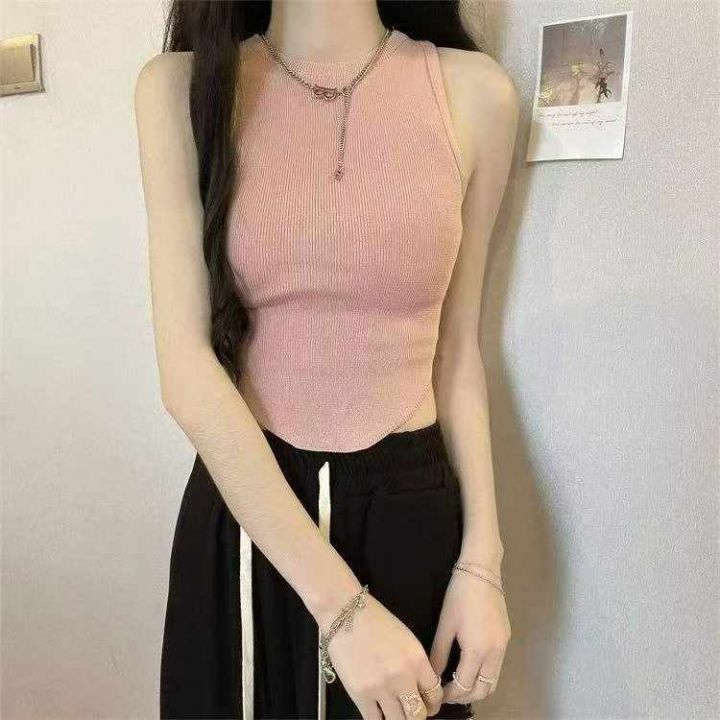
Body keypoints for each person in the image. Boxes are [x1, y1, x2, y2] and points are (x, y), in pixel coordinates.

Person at [134, 2, 519, 718]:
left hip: (412, 516)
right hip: (252, 514)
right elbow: (186, 372)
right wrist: (343, 609)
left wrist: (482, 562)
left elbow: (458, 349)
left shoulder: (477, 94)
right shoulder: (181, 89)